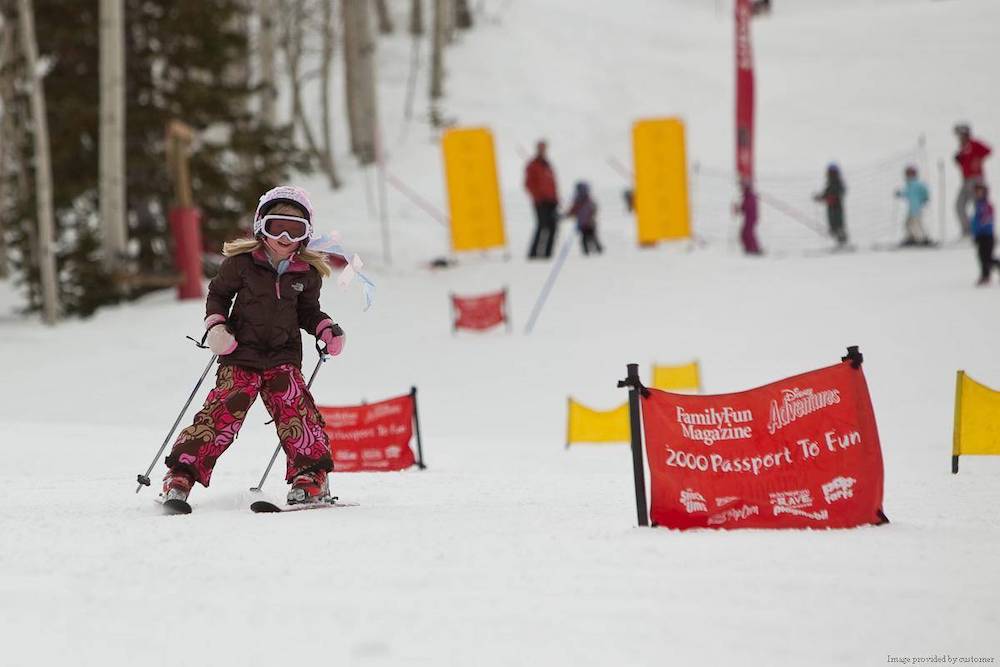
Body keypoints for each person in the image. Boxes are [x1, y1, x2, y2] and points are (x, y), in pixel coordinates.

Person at [161, 185, 346, 506]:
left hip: (283, 357)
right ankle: (181, 474)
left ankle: (311, 476)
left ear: (306, 234)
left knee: (296, 411)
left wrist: (324, 328)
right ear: (262, 226)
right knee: (222, 412)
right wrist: (217, 327)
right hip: (240, 354)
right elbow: (218, 296)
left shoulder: (308, 273)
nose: (285, 238)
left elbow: (308, 312)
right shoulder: (241, 263)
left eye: (294, 230)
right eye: (278, 228)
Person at [954, 124, 991, 237]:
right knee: (959, 205)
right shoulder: (962, 148)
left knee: (979, 205)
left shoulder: (974, 144)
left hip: (976, 179)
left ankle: (981, 231)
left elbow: (988, 150)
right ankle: (968, 230)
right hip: (966, 180)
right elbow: (963, 162)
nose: (959, 137)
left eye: (960, 134)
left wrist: (977, 159)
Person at [524, 140, 560, 259]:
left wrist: (556, 197)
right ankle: (533, 253)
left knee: (553, 227)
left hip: (551, 201)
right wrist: (537, 196)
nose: (542, 150)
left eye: (544, 148)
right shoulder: (532, 165)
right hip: (540, 202)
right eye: (540, 148)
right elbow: (528, 184)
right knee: (542, 226)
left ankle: (547, 253)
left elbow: (552, 183)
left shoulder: (547, 165)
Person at [970, 182, 999, 286]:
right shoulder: (978, 205)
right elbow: (976, 222)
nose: (978, 194)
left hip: (987, 235)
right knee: (982, 257)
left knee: (986, 257)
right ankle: (985, 275)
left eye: (980, 192)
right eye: (976, 192)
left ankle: (986, 275)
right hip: (980, 235)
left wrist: (981, 227)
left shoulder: (986, 205)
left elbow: (986, 220)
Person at [894, 165, 931, 246]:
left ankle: (923, 238)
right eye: (907, 174)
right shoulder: (910, 185)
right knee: (907, 223)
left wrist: (925, 198)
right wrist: (899, 194)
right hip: (912, 209)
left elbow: (924, 191)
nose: (908, 176)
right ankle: (911, 238)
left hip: (916, 208)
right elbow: (906, 193)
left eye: (909, 174)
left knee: (916, 224)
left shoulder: (916, 184)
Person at [814, 163, 848, 247]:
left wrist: (829, 197)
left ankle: (842, 242)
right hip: (831, 208)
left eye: (832, 173)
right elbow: (825, 195)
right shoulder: (830, 184)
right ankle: (840, 242)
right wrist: (819, 198)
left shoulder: (837, 183)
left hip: (836, 207)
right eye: (830, 173)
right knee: (833, 227)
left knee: (838, 225)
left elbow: (841, 192)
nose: (830, 174)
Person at [564, 181, 603, 255]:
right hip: (583, 224)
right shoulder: (579, 201)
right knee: (586, 238)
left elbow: (594, 209)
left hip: (589, 223)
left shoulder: (587, 201)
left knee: (592, 237)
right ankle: (587, 251)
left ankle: (597, 250)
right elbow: (572, 211)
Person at [734, 179, 762, 255]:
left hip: (751, 218)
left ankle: (754, 249)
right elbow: (743, 209)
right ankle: (749, 248)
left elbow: (746, 207)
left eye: (742, 187)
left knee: (747, 233)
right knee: (745, 233)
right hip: (749, 218)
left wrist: (738, 208)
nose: (741, 189)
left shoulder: (750, 196)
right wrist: (737, 209)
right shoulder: (747, 196)